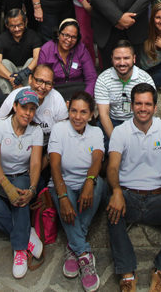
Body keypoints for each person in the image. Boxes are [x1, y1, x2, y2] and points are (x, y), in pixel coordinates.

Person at [106, 82, 161, 292]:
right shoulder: (120, 131)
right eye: (138, 103)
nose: (143, 108)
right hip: (128, 197)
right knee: (112, 205)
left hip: (157, 199)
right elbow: (112, 167)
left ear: (155, 107)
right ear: (131, 106)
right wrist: (117, 191)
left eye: (147, 104)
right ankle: (127, 273)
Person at [0, 88, 45, 279]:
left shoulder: (36, 131)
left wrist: (32, 188)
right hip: (1, 177)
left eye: (32, 109)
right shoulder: (0, 126)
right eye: (24, 107)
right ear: (15, 107)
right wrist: (6, 186)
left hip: (23, 176)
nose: (28, 113)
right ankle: (26, 233)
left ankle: (19, 249)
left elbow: (35, 163)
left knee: (21, 195)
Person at [47, 91, 106, 291]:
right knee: (64, 197)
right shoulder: (59, 129)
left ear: (91, 115)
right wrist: (63, 196)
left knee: (99, 184)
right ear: (68, 111)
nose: (77, 117)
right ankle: (83, 254)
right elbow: (55, 165)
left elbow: (97, 159)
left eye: (83, 112)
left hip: (85, 182)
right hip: (62, 182)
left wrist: (89, 181)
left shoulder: (96, 132)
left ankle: (73, 246)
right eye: (73, 111)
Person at [95, 40, 154, 137]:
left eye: (126, 58)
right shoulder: (103, 79)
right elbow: (103, 115)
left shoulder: (145, 79)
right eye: (117, 58)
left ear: (134, 58)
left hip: (137, 122)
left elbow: (148, 112)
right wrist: (116, 141)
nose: (122, 63)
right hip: (112, 121)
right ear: (112, 59)